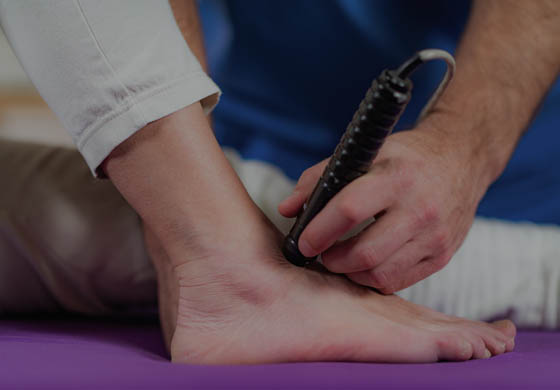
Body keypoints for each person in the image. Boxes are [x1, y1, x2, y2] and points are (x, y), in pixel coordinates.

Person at [0, 0, 558, 363]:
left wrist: (463, 148)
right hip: (236, 172)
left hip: (510, 194)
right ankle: (231, 268)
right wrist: (184, 226)